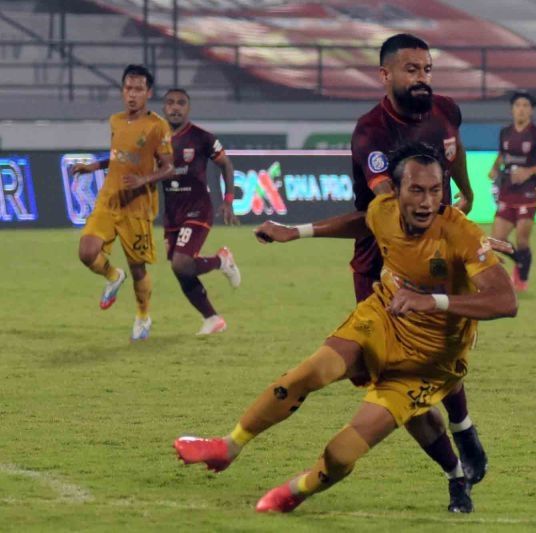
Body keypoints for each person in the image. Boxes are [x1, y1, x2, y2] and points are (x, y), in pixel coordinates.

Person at [173, 142, 517, 513]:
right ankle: (229, 445)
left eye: (435, 191)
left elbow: (505, 301)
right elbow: (365, 221)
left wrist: (432, 301)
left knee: (343, 452)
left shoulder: (461, 234)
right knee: (308, 373)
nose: (426, 202)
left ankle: (299, 489)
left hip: (433, 357)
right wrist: (297, 231)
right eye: (416, 190)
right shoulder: (383, 210)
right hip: (383, 320)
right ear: (396, 191)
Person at [254, 34, 490, 497]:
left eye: (426, 69)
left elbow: (452, 147)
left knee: (436, 345)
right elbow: (386, 205)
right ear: (385, 75)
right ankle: (454, 466)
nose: (421, 78)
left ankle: (463, 432)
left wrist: (466, 190)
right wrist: (447, 226)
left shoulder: (445, 108)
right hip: (377, 255)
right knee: (396, 371)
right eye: (411, 70)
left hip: (433, 242)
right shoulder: (371, 132)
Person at [72, 64, 174, 341]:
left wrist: (144, 181)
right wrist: (95, 166)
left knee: (138, 267)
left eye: (138, 89)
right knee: (86, 251)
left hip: (137, 205)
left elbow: (168, 167)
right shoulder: (115, 120)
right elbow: (119, 156)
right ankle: (112, 276)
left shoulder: (157, 126)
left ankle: (143, 316)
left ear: (148, 93)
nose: (132, 95)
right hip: (110, 198)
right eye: (128, 88)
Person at [161, 88, 241, 335]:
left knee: (182, 263)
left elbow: (226, 164)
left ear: (188, 108)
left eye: (181, 103)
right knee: (180, 268)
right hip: (172, 214)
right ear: (164, 108)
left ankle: (221, 261)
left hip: (198, 209)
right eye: (171, 103)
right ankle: (212, 318)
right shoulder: (156, 138)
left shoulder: (202, 137)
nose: (175, 107)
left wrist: (228, 200)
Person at [488, 91, 536, 292]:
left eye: (526, 106)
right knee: (497, 239)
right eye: (518, 105)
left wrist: (529, 171)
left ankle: (522, 279)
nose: (521, 109)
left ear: (531, 110)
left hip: (528, 192)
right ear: (512, 109)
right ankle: (521, 262)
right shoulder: (505, 132)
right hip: (507, 190)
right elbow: (503, 155)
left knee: (522, 239)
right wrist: (494, 168)